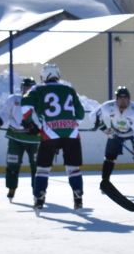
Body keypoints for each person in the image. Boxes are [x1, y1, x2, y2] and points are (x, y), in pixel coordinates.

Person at [20, 63, 86, 212]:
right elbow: (81, 114)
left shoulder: (38, 89)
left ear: (44, 76)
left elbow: (25, 104)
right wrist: (69, 123)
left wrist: (28, 122)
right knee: (73, 168)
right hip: (72, 133)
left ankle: (39, 197)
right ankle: (78, 197)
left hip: (50, 134)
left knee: (43, 169)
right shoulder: (69, 89)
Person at [0, 76, 41, 201]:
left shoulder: (38, 101)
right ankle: (12, 188)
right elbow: (5, 113)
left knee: (37, 166)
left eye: (30, 88)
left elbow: (42, 118)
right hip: (15, 137)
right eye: (25, 87)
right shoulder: (14, 99)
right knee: (12, 164)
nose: (27, 90)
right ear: (21, 88)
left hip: (34, 139)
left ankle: (37, 191)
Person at [95, 86, 134, 194]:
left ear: (129, 99)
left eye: (125, 98)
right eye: (120, 98)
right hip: (116, 132)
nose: (123, 100)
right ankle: (105, 182)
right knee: (109, 158)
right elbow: (95, 117)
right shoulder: (108, 107)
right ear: (116, 99)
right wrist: (106, 130)